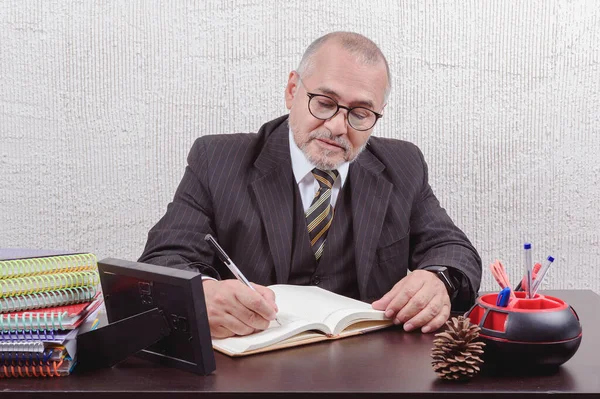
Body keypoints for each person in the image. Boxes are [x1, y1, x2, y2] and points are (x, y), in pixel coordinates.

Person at [139, 31, 482, 339]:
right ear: (292, 91)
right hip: (249, 372)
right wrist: (202, 293)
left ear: (378, 115)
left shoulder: (404, 165)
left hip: (368, 373)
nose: (336, 126)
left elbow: (454, 251)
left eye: (360, 113)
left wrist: (440, 280)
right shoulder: (216, 159)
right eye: (324, 102)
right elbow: (163, 258)